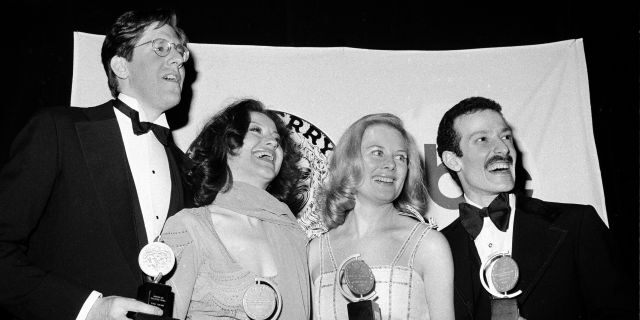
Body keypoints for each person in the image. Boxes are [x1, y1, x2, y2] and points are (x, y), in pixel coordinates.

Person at [0, 9, 191, 320]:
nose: (179, 60)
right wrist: (88, 309)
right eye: (161, 47)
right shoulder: (59, 130)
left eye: (181, 51)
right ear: (121, 65)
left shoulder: (186, 169)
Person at [436, 96, 634, 319]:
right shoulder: (436, 249)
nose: (503, 147)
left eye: (506, 136)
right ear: (453, 160)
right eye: (482, 139)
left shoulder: (576, 224)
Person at [161, 99, 310, 319]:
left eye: (277, 140)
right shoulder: (189, 226)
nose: (271, 142)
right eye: (256, 131)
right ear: (225, 144)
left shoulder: (294, 236)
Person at [309, 113, 455, 320]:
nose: (391, 164)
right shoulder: (316, 251)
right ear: (349, 162)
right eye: (377, 152)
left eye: (400, 157)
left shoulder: (428, 245)